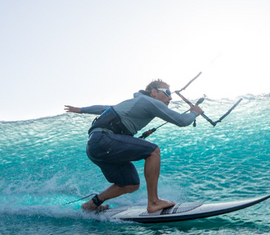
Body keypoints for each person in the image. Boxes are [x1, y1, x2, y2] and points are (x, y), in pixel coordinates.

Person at [64, 79, 203, 213]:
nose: (170, 97)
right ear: (154, 92)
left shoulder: (136, 102)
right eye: (167, 92)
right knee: (153, 151)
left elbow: (104, 108)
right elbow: (182, 121)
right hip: (104, 140)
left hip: (94, 147)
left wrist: (81, 109)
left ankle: (92, 204)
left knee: (130, 183)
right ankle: (154, 202)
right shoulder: (149, 101)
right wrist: (194, 112)